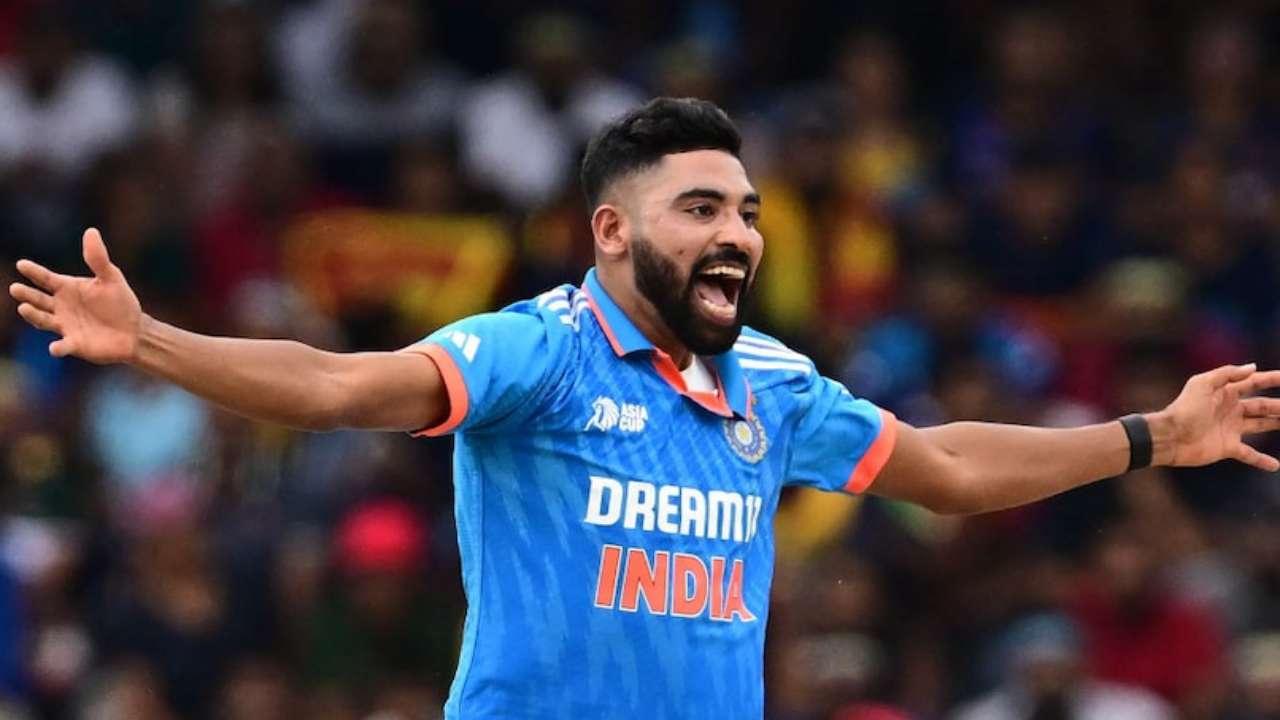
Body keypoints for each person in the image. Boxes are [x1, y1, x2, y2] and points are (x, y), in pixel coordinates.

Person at [9, 97, 1280, 719]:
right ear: (611, 231)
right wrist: (152, 340)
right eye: (701, 210)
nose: (738, 235)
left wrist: (1151, 437)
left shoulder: (770, 381)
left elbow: (943, 469)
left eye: (747, 213)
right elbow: (345, 387)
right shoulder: (539, 351)